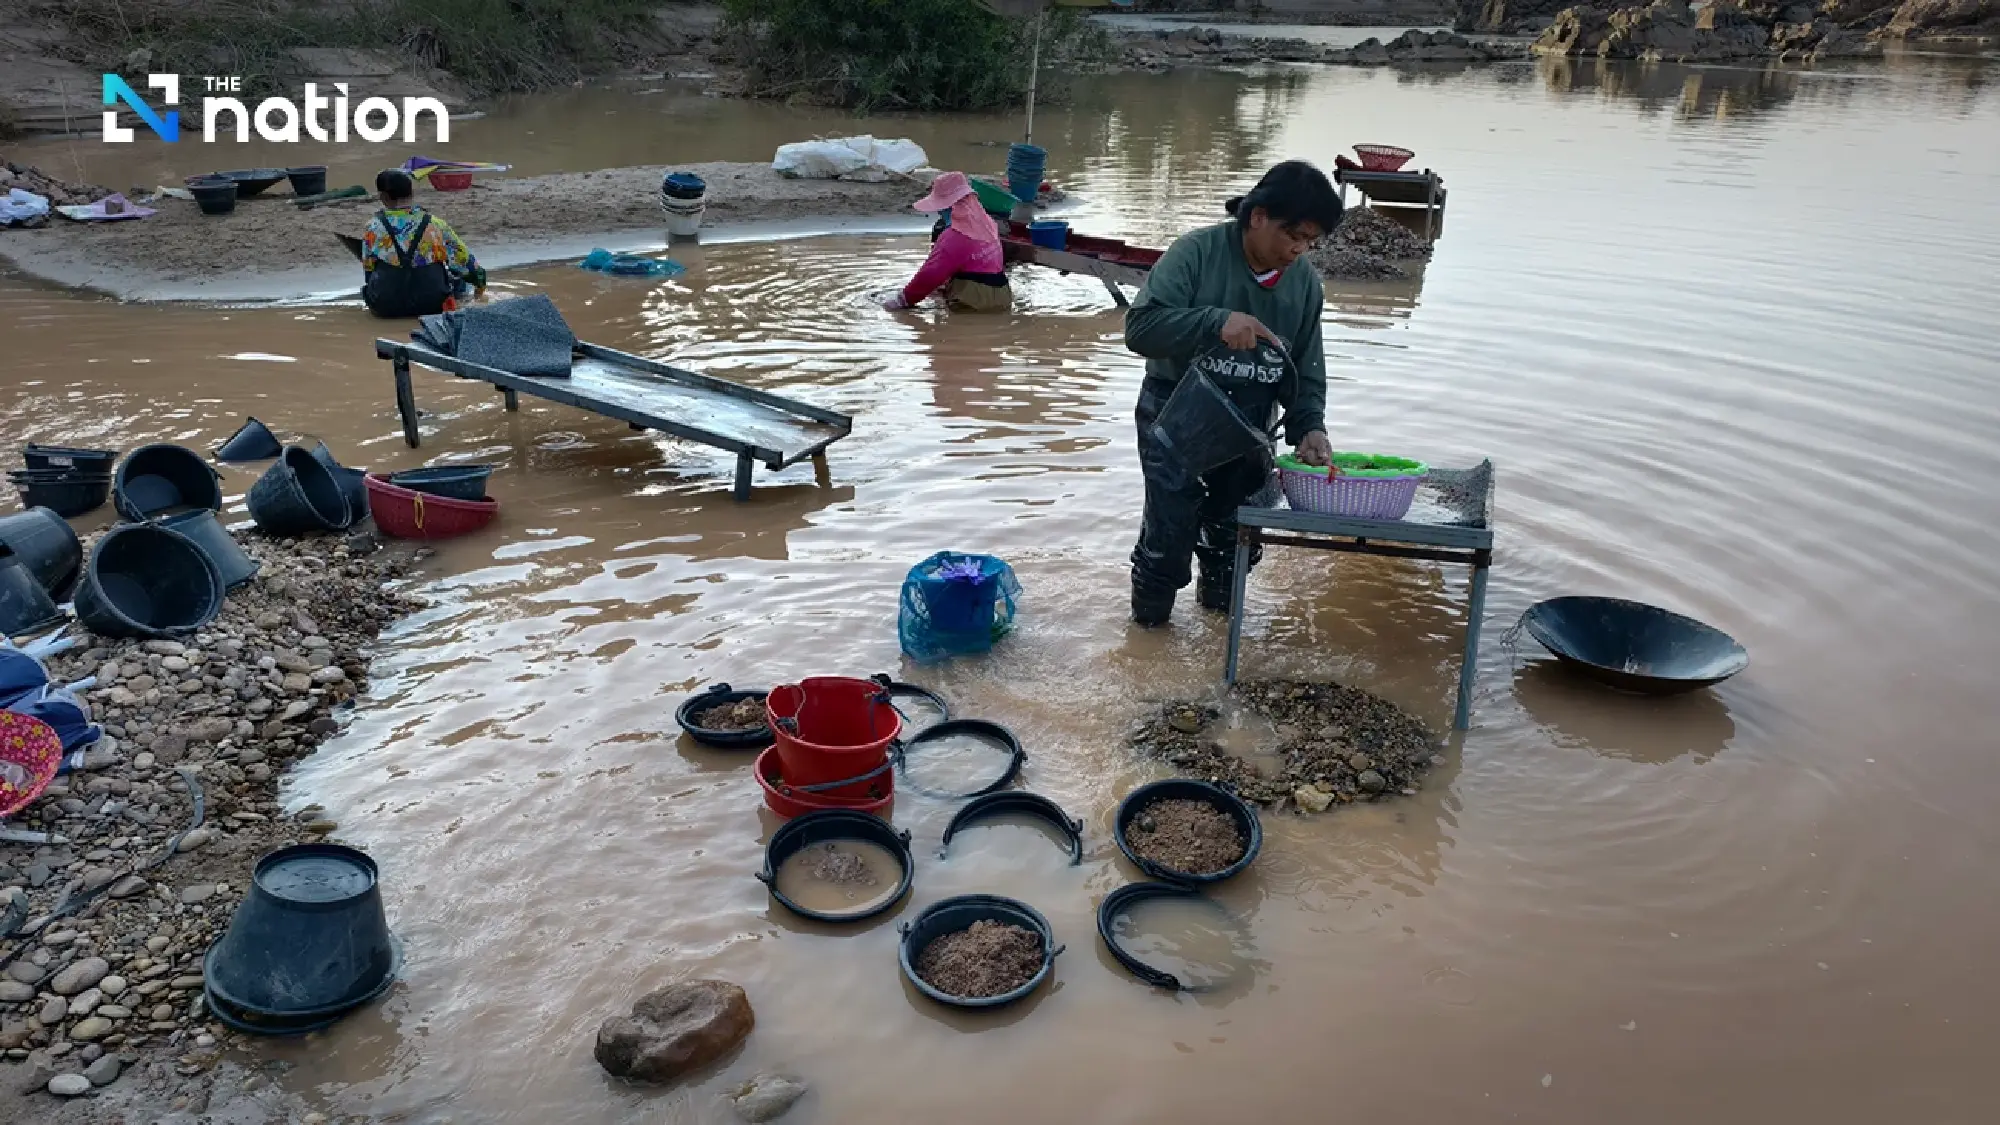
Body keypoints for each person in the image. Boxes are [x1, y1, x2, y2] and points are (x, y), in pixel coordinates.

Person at [1124, 160, 1342, 627]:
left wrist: (1309, 427)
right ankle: (1147, 646)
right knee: (1168, 540)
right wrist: (1214, 322)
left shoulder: (1304, 284)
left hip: (1250, 420)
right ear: (1258, 216)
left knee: (1235, 541)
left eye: (1310, 242)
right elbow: (1139, 328)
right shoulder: (1195, 253)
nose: (1299, 250)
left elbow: (1306, 367)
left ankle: (1218, 643)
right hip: (1176, 412)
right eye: (1294, 236)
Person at [360, 169, 486, 318]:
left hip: (386, 307)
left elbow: (369, 270)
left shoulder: (373, 227)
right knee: (460, 282)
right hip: (433, 305)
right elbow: (467, 265)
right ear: (412, 193)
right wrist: (480, 289)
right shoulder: (435, 224)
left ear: (383, 197)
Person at [882, 171, 1012, 313]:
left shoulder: (954, 236)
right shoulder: (987, 222)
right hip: (1002, 296)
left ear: (947, 206)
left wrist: (902, 299)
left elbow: (930, 274)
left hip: (973, 301)